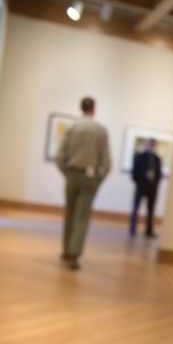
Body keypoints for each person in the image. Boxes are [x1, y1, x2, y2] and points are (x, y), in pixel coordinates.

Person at [55, 96, 111, 270]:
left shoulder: (72, 128)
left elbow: (59, 156)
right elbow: (106, 161)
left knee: (70, 212)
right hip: (89, 177)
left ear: (81, 108)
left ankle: (66, 250)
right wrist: (99, 179)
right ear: (94, 109)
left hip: (72, 174)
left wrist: (67, 173)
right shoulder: (100, 130)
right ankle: (74, 253)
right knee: (82, 216)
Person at [129, 137, 162, 237]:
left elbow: (159, 173)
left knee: (151, 209)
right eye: (149, 144)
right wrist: (139, 181)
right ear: (146, 145)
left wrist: (155, 182)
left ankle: (149, 230)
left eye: (152, 144)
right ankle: (133, 228)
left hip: (152, 188)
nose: (150, 146)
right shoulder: (140, 156)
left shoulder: (157, 158)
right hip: (141, 186)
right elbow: (135, 171)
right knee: (136, 207)